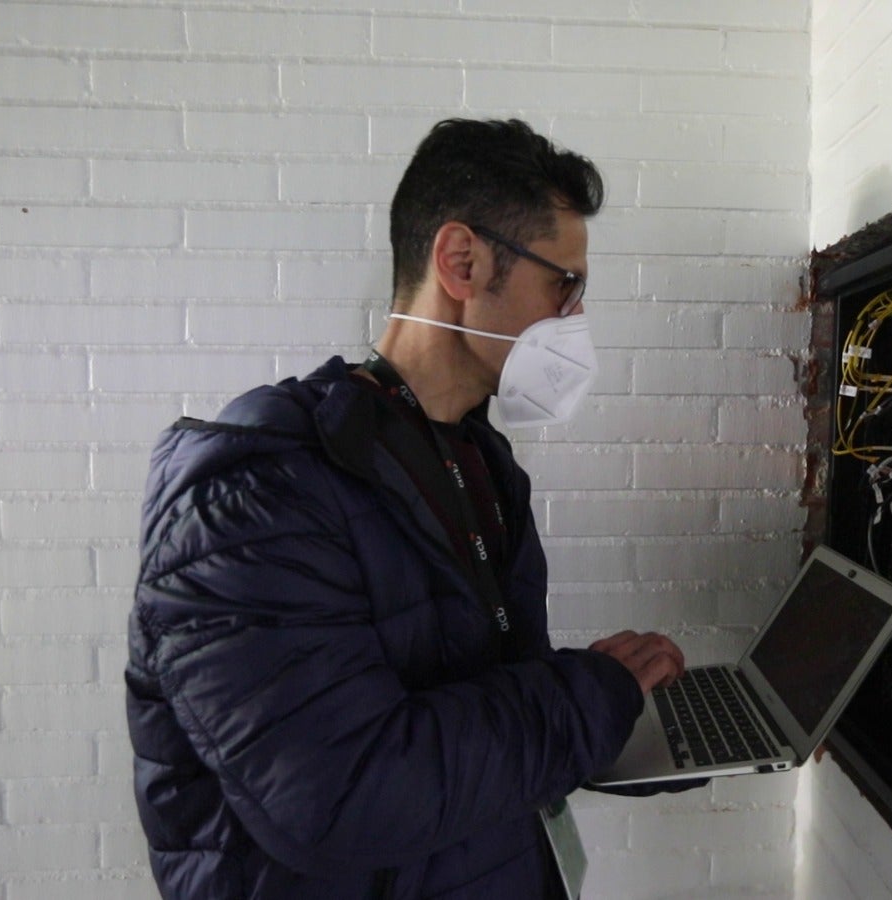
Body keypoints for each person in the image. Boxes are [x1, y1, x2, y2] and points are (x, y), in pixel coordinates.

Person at [126, 118, 690, 899]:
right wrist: (588, 697)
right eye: (565, 284)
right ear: (462, 261)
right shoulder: (257, 495)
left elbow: (483, 723)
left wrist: (634, 724)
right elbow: (342, 795)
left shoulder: (480, 461)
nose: (573, 320)